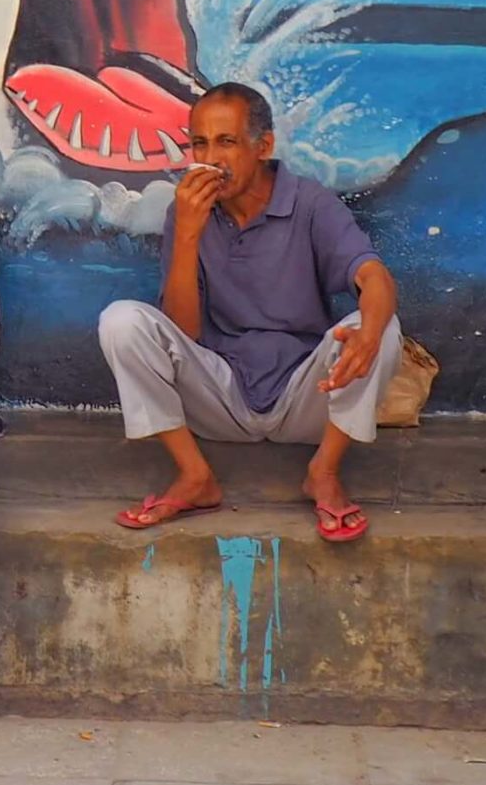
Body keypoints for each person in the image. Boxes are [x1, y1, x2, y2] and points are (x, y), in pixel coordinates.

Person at [96, 82, 403, 544]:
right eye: (199, 143)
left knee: (379, 325)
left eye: (226, 142)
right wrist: (187, 237)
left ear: (263, 147)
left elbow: (374, 278)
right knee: (120, 320)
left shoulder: (309, 203)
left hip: (307, 397)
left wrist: (371, 333)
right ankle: (195, 476)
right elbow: (184, 333)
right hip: (220, 396)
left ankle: (323, 471)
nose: (211, 158)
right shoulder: (187, 213)